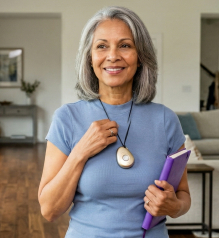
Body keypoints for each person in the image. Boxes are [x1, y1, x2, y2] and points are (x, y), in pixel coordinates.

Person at [38, 6, 191, 238]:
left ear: (140, 57)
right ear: (90, 58)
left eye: (125, 45)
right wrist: (81, 151)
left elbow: (183, 196)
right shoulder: (67, 118)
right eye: (101, 46)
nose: (113, 55)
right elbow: (49, 210)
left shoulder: (165, 119)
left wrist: (174, 206)